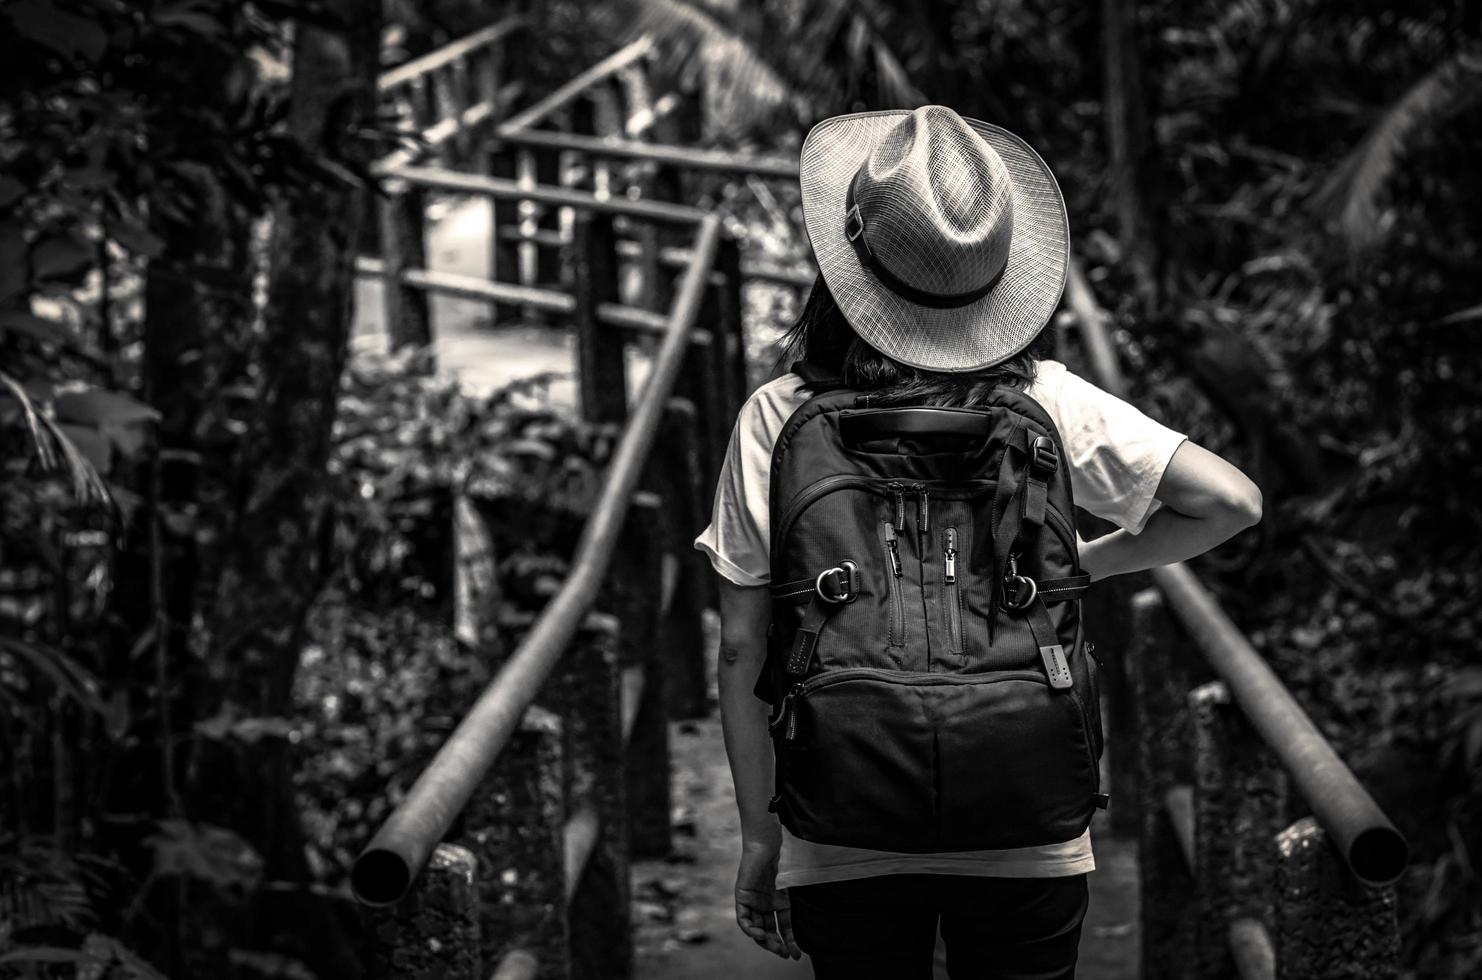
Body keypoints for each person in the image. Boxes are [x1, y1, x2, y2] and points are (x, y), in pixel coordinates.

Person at [694, 105, 1262, 980]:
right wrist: (1082, 567)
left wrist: (761, 842)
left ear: (845, 270)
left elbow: (741, 648)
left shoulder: (776, 417)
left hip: (840, 814)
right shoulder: (1052, 403)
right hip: (1027, 813)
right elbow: (1230, 502)